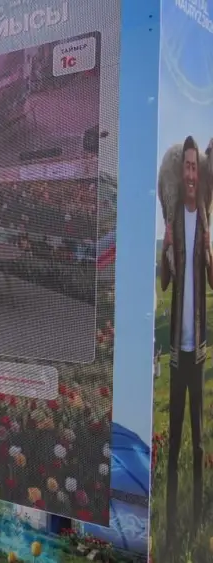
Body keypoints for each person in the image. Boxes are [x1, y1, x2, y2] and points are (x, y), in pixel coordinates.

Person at [160, 135, 213, 550]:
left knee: (197, 443)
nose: (191, 174)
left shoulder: (206, 222)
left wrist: (210, 250)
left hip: (199, 356)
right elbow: (164, 282)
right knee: (174, 440)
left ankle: (197, 519)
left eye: (196, 167)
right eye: (187, 167)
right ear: (181, 174)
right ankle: (169, 526)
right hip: (177, 356)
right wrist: (165, 245)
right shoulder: (175, 221)